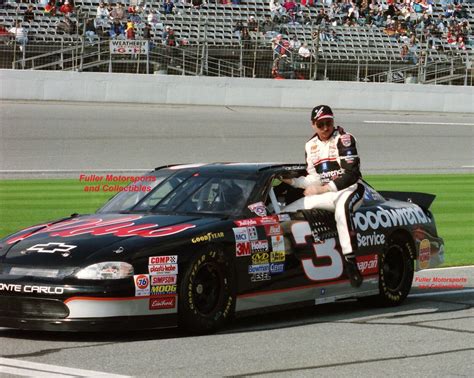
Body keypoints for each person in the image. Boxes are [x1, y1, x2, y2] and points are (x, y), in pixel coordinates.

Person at [281, 105, 365, 288]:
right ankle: (288, 258)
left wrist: (323, 189)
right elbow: (314, 178)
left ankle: (351, 261)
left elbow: (352, 174)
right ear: (313, 125)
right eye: (321, 124)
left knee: (342, 209)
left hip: (349, 190)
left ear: (333, 121)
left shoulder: (345, 139)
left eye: (329, 122)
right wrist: (293, 182)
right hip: (327, 193)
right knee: (285, 213)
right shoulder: (310, 145)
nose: (326, 128)